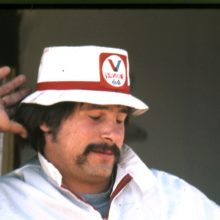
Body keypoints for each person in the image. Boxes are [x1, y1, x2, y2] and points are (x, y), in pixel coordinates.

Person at [0, 46, 219, 220]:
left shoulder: (173, 197)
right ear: (46, 121)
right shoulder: (8, 202)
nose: (111, 134)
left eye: (120, 119)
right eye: (95, 117)